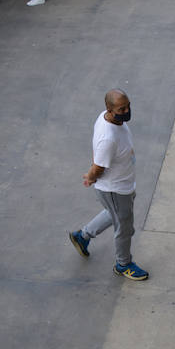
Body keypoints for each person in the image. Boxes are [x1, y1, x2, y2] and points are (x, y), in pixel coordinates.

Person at [68, 90, 147, 281]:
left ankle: (82, 236)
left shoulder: (109, 119)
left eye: (128, 106)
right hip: (115, 188)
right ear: (109, 110)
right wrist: (91, 177)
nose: (127, 111)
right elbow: (98, 165)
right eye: (122, 109)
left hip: (123, 185)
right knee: (124, 227)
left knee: (115, 213)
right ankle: (123, 264)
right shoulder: (108, 137)